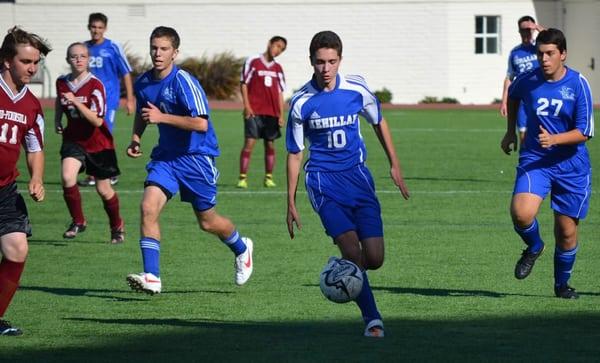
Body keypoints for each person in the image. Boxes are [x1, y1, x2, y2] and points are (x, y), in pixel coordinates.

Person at [286, 31, 410, 337]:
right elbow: (295, 152)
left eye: (331, 61)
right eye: (320, 62)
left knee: (375, 259)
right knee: (354, 254)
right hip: (323, 183)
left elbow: (379, 121)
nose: (326, 68)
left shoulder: (357, 89)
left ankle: (340, 266)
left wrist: (394, 163)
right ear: (311, 62)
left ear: (340, 59)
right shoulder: (302, 102)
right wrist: (290, 199)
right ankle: (373, 319)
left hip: (358, 179)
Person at [125, 26, 253, 294]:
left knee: (207, 222)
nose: (158, 54)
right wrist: (136, 137)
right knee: (148, 207)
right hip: (167, 158)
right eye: (154, 48)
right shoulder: (145, 82)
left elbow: (201, 124)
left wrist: (163, 118)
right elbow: (143, 111)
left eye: (164, 49)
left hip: (197, 159)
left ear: (175, 53)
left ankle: (242, 248)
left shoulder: (184, 81)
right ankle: (152, 276)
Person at [501, 28, 594, 299]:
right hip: (536, 159)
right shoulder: (527, 79)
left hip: (571, 165)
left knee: (566, 233)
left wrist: (555, 139)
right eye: (540, 53)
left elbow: (585, 131)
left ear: (563, 54)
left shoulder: (578, 84)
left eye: (550, 53)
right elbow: (514, 95)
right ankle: (534, 246)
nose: (544, 59)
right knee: (521, 213)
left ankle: (561, 285)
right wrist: (510, 131)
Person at [0, 26, 51, 336]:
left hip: (5, 189)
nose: (32, 68)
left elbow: (35, 147)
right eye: (26, 62)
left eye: (36, 62)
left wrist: (37, 178)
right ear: (7, 60)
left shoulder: (31, 105)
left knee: (17, 250)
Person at [55, 42, 124, 244]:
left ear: (88, 60)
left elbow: (97, 120)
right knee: (68, 177)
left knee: (103, 190)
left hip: (98, 143)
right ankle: (78, 221)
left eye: (82, 56)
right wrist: (57, 120)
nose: (78, 60)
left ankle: (117, 226)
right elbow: (60, 101)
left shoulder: (95, 85)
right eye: (74, 56)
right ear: (68, 59)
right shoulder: (62, 82)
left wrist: (76, 101)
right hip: (73, 140)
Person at [80, 12, 135, 187]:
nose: (96, 31)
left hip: (109, 99)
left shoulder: (112, 47)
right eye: (93, 27)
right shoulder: (83, 48)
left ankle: (110, 173)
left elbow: (125, 72)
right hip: (89, 101)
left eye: (100, 28)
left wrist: (130, 98)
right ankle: (92, 175)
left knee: (104, 134)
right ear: (89, 27)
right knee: (89, 135)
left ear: (105, 29)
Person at [237, 36, 287, 188]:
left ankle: (268, 177)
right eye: (277, 46)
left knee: (270, 145)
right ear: (269, 44)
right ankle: (242, 178)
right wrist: (247, 106)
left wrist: (281, 114)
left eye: (281, 49)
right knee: (249, 143)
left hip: (271, 113)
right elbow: (244, 84)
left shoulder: (278, 68)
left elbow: (279, 92)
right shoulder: (253, 61)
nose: (278, 50)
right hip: (254, 111)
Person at [500, 16, 544, 146]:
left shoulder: (539, 48)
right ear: (519, 31)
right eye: (523, 30)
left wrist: (537, 27)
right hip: (522, 101)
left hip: (538, 97)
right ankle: (526, 163)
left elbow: (553, 40)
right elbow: (509, 77)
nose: (526, 33)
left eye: (528, 30)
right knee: (523, 138)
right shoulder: (515, 52)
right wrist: (504, 101)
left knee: (543, 135)